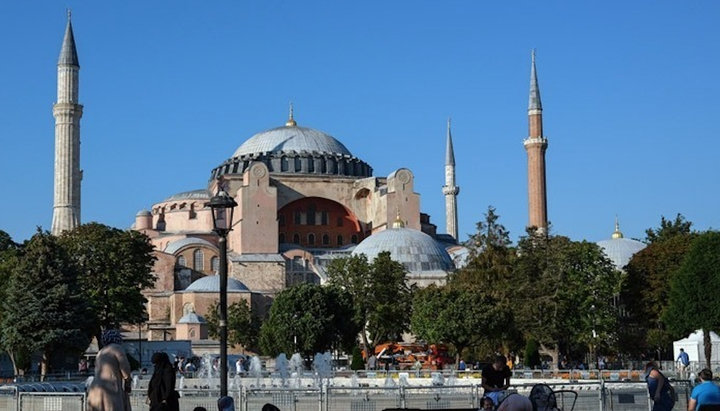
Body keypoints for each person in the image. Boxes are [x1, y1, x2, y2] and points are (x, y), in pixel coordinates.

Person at [87, 329, 133, 411]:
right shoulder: (117, 349)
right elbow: (125, 368)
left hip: (95, 389)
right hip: (111, 389)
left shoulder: (101, 352)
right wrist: (128, 382)